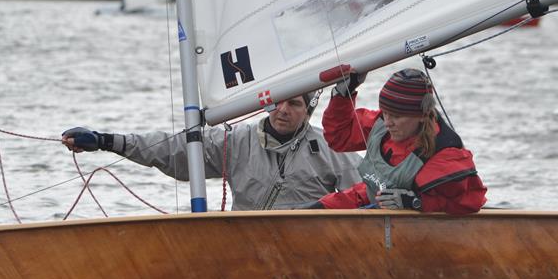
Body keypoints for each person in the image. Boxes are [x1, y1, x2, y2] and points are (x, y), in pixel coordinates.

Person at [61, 93, 361, 210]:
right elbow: (172, 149)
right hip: (245, 247)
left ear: (308, 111)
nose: (282, 110)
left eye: (294, 104)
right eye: (278, 102)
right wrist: (106, 141)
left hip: (309, 250)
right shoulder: (236, 140)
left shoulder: (333, 148)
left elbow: (366, 195)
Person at [310, 68, 487, 214]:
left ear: (422, 116)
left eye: (396, 116)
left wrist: (416, 203)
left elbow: (471, 201)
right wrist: (342, 93)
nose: (387, 122)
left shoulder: (445, 155)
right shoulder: (381, 124)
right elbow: (338, 137)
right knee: (315, 211)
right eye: (385, 112)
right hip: (370, 198)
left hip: (413, 229)